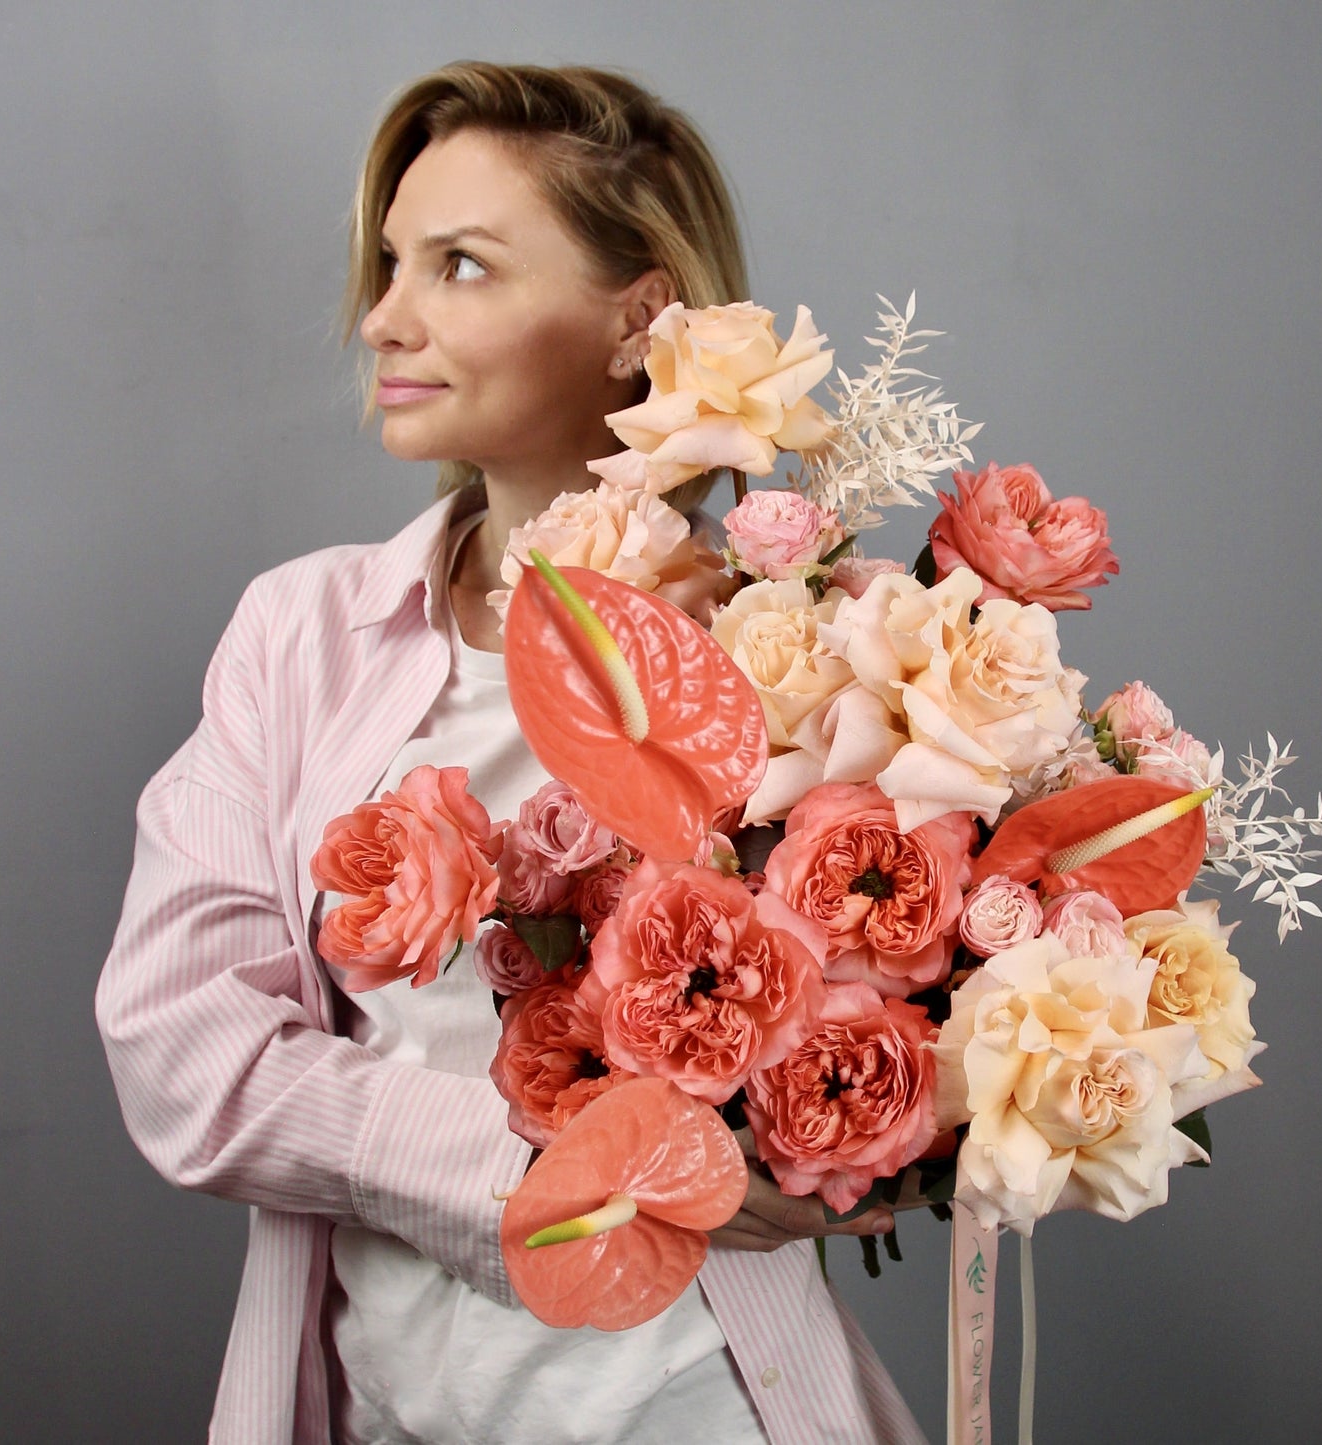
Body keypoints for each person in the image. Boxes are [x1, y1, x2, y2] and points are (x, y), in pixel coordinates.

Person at [96, 62, 928, 1445]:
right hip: (378, 1406)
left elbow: (905, 1019)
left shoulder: (807, 649)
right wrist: (551, 1172)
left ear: (638, 319)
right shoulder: (303, 634)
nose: (384, 316)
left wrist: (869, 1131)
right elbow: (181, 1048)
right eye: (389, 262)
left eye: (460, 265)